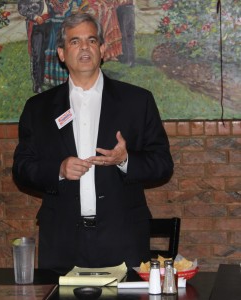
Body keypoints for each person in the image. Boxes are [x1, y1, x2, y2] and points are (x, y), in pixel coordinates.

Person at [12, 12, 173, 272]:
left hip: (123, 238)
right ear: (62, 53)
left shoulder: (137, 101)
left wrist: (125, 160)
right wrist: (59, 170)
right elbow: (22, 168)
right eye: (75, 41)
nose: (84, 47)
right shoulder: (38, 108)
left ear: (102, 49)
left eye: (91, 40)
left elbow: (163, 164)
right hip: (62, 240)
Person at [18, 0, 55, 93]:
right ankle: (37, 84)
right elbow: (21, 8)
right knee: (37, 55)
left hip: (49, 24)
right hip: (36, 26)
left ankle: (43, 80)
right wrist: (34, 17)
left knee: (45, 54)